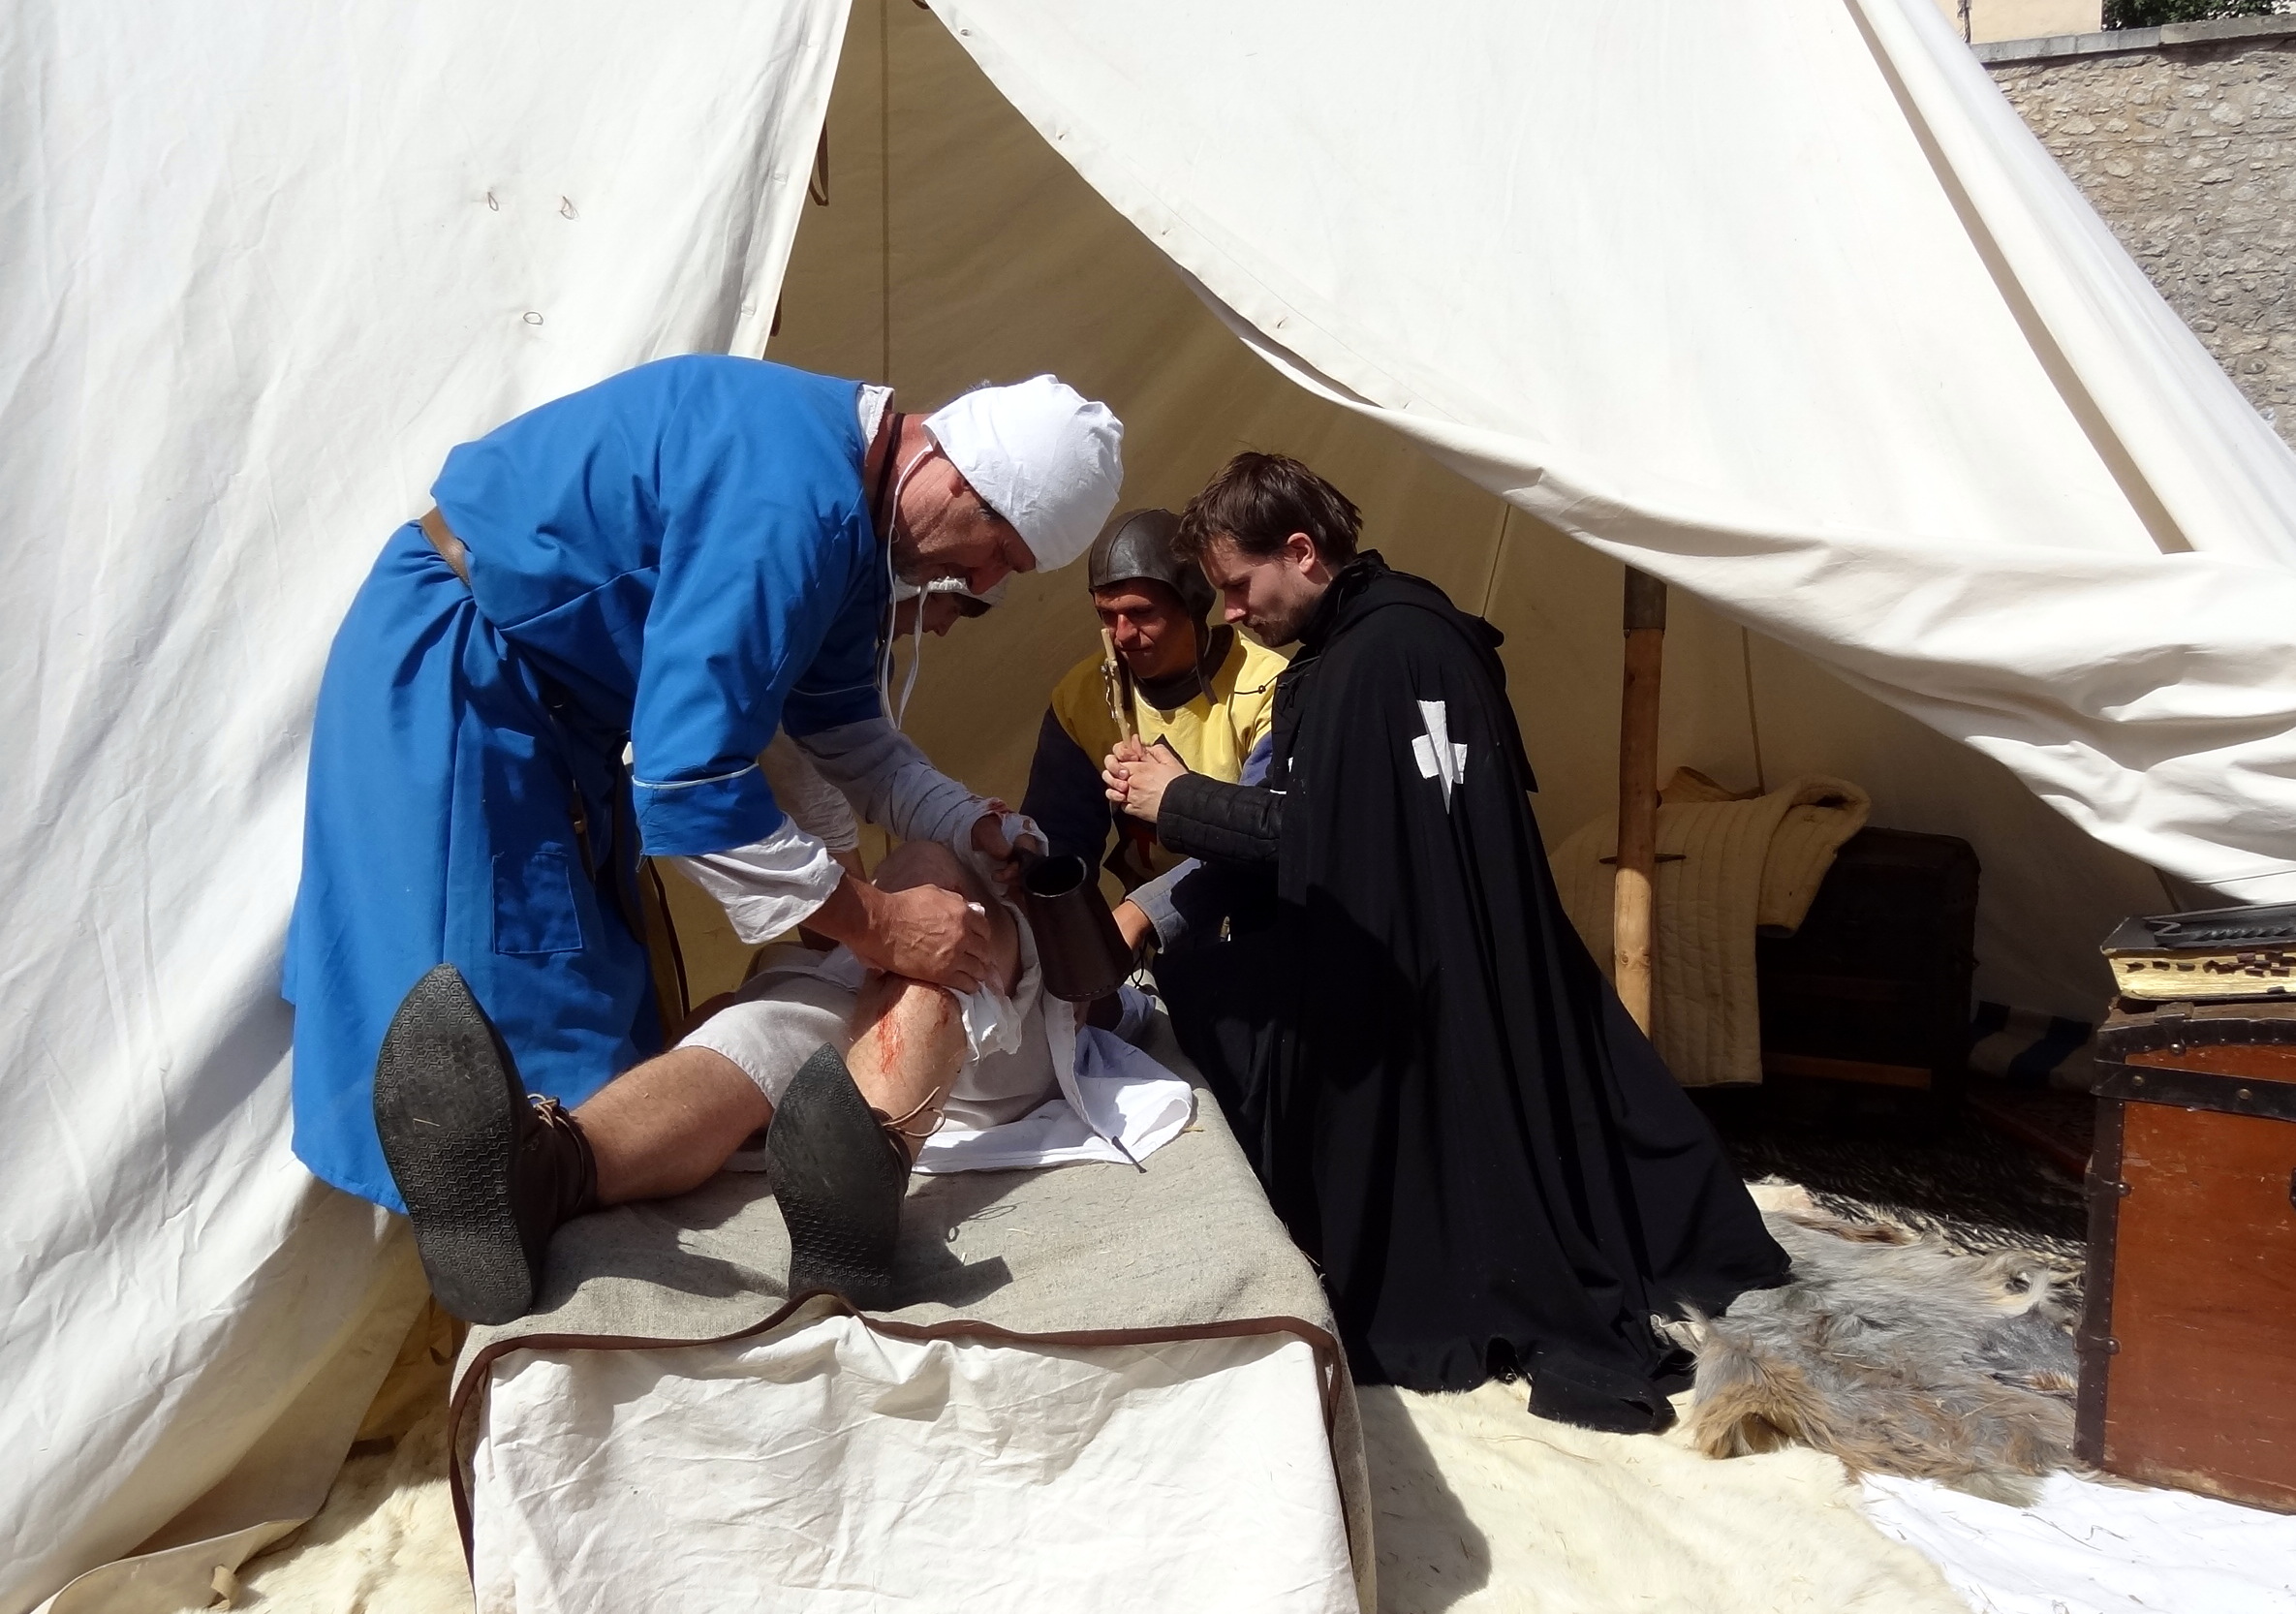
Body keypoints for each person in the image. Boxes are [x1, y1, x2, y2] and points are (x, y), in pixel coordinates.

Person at [285, 357, 1121, 1321]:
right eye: (995, 549)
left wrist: (961, 821)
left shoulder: (851, 523)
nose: (980, 581)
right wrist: (884, 926)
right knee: (506, 1029)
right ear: (951, 470)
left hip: (552, 713)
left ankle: (557, 1184)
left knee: (611, 1032)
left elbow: (847, 734)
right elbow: (691, 779)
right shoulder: (794, 497)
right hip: (468, 686)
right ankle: (503, 1254)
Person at [1102, 452, 1788, 1434]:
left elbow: (1322, 837)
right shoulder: (1394, 637)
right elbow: (1352, 826)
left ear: (1301, 551)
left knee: (1224, 1016)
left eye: (1240, 587)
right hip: (1441, 952)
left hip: (1414, 976)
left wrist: (1180, 799)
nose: (1233, 613)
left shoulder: (1381, 655)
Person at [1018, 508, 1287, 959]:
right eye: (1107, 616)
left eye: (1141, 613)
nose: (1121, 635)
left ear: (1191, 603)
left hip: (1256, 929)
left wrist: (1143, 911)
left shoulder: (1267, 690)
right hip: (1151, 946)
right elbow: (1060, 836)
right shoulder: (1083, 697)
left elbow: (1265, 837)